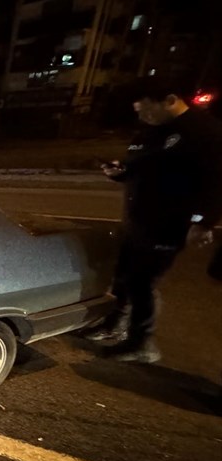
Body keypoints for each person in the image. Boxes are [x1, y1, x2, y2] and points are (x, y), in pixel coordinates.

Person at [87, 78, 222, 363]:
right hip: (138, 220)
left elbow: (215, 183)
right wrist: (119, 172)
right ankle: (115, 324)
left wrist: (202, 222)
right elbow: (140, 167)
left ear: (170, 100)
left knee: (143, 282)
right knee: (122, 275)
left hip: (168, 224)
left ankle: (141, 342)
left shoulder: (203, 132)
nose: (142, 116)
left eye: (146, 110)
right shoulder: (151, 131)